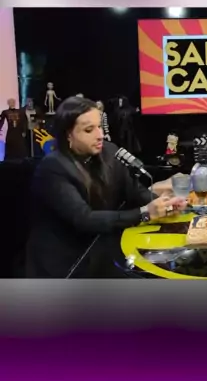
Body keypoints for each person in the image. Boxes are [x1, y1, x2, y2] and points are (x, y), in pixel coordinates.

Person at [25, 97, 186, 277]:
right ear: (68, 134)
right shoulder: (52, 167)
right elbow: (85, 219)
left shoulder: (109, 151)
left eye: (99, 126)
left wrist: (166, 205)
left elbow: (135, 191)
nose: (100, 135)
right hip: (66, 266)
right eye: (89, 130)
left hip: (102, 250)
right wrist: (145, 213)